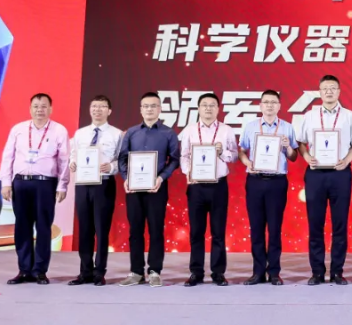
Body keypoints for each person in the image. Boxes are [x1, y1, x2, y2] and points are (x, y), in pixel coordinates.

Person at [297, 75, 352, 286]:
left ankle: (337, 272)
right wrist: (307, 157)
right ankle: (317, 272)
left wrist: (346, 161)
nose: (329, 91)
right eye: (325, 88)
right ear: (319, 91)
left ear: (339, 91)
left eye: (333, 88)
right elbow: (300, 143)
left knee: (340, 224)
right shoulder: (309, 116)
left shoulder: (349, 116)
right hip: (315, 174)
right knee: (315, 224)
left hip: (340, 173)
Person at [0, 93, 70, 285]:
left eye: (44, 106)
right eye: (36, 106)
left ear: (50, 109)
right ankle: (24, 270)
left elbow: (64, 160)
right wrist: (6, 183)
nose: (40, 110)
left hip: (45, 184)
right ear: (30, 109)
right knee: (22, 226)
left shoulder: (59, 130)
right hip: (21, 183)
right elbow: (8, 157)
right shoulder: (18, 129)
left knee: (43, 227)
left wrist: (62, 185)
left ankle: (39, 271)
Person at [117, 91, 180, 288]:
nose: (149, 109)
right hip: (134, 189)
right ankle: (136, 272)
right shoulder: (131, 133)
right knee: (135, 230)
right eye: (146, 106)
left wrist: (161, 178)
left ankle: (155, 271)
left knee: (156, 229)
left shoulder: (168, 133)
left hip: (156, 188)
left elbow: (175, 160)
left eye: (153, 106)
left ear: (160, 109)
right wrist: (126, 178)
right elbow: (122, 158)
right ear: (141, 109)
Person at [238, 89, 298, 286]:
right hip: (255, 180)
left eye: (273, 102)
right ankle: (257, 272)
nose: (270, 105)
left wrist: (287, 146)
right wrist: (247, 162)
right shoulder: (251, 127)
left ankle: (274, 272)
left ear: (279, 106)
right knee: (256, 228)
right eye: (266, 102)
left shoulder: (287, 127)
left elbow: (294, 157)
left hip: (277, 182)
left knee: (274, 228)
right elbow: (241, 151)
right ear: (260, 105)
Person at [178, 93, 238, 287]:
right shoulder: (189, 130)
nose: (208, 108)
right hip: (196, 186)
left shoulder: (226, 130)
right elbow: (184, 156)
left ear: (218, 109)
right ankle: (196, 272)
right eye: (204, 105)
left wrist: (222, 152)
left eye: (212, 105)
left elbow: (234, 156)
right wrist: (188, 172)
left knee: (218, 231)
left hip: (218, 185)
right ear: (198, 108)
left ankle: (218, 272)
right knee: (196, 231)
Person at [68, 95, 122, 286]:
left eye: (102, 106)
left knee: (101, 229)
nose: (98, 109)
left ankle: (99, 272)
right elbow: (73, 154)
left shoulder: (117, 134)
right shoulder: (80, 133)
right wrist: (73, 163)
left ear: (109, 111)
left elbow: (122, 159)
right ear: (90, 109)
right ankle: (85, 271)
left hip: (104, 184)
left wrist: (112, 167)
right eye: (94, 106)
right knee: (84, 229)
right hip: (83, 184)